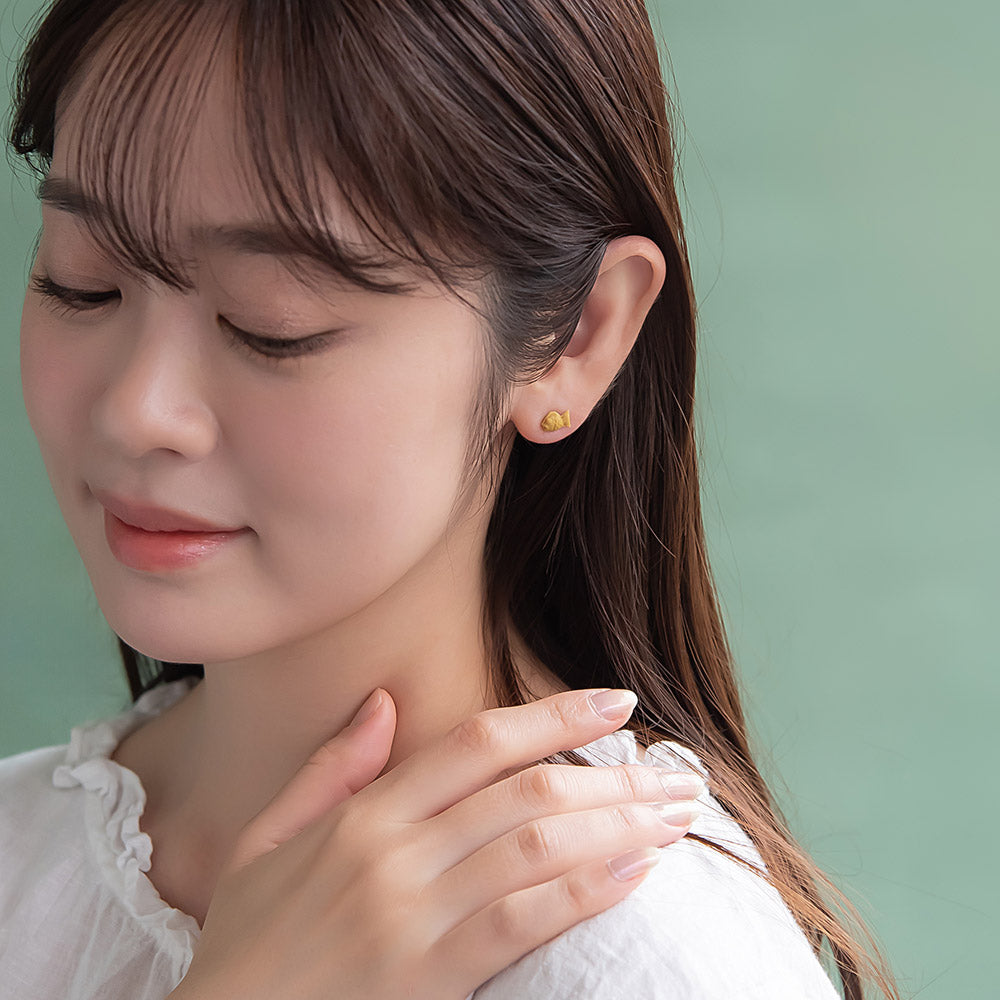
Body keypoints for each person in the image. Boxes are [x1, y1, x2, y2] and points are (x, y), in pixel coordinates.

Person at [0, 1, 899, 998]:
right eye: (82, 283)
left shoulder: (641, 949)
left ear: (577, 337)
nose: (138, 410)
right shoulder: (19, 848)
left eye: (272, 324)